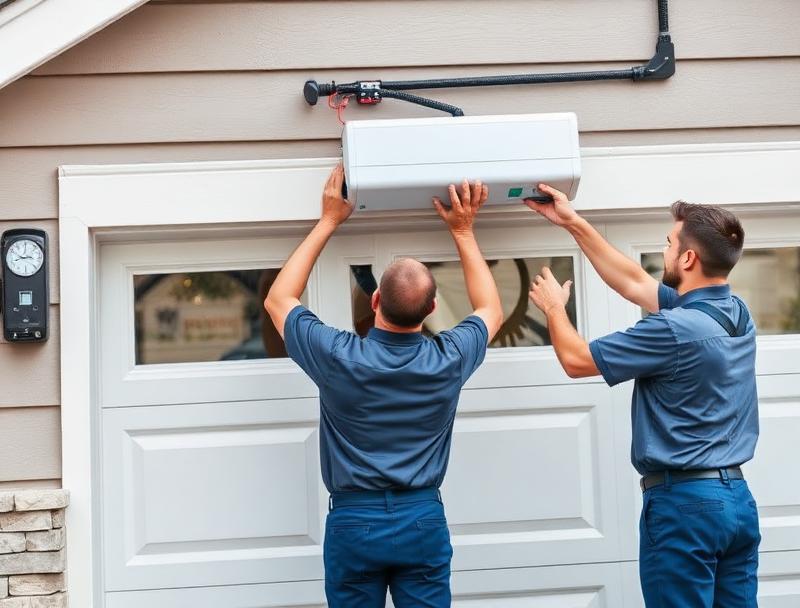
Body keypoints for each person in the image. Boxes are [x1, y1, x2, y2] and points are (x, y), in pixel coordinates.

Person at [264, 164, 503, 607]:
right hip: (421, 518)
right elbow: (490, 308)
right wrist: (464, 231)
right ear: (432, 308)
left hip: (355, 522)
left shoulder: (339, 357)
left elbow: (279, 299)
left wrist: (329, 220)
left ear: (375, 300)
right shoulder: (447, 359)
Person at [525, 184, 760, 607]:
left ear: (688, 258)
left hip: (685, 507)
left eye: (670, 244)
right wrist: (572, 222)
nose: (665, 251)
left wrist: (555, 309)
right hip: (737, 505)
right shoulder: (736, 315)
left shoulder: (674, 329)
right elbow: (633, 282)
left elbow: (577, 361)